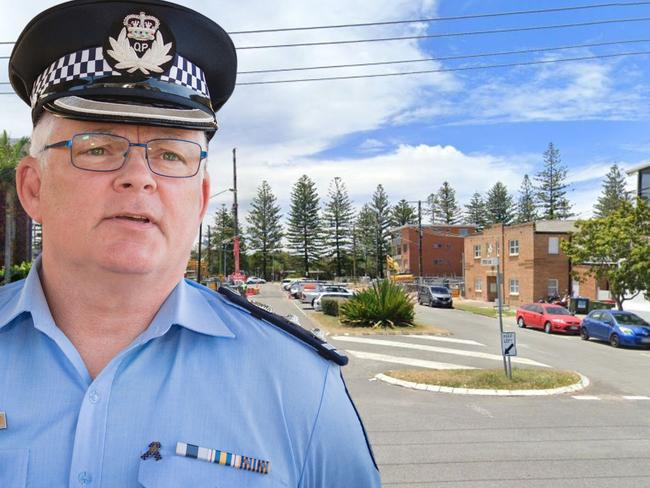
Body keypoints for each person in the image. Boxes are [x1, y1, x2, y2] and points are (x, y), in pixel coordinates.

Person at [0, 1, 380, 486]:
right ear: (33, 188)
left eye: (171, 155)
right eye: (97, 148)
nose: (138, 178)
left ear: (201, 197)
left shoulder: (299, 385)